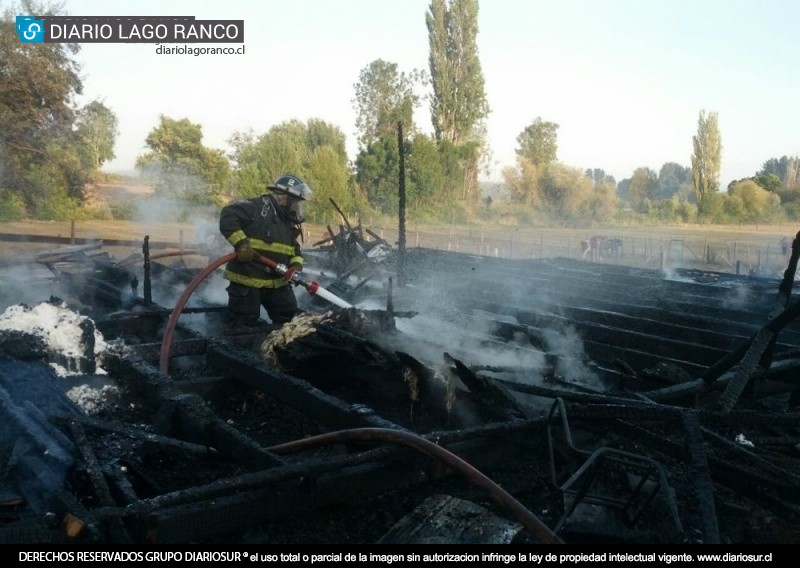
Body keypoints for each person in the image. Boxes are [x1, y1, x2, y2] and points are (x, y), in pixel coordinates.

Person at [219, 174, 313, 327]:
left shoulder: (286, 220)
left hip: (276, 281)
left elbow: (293, 248)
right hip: (247, 279)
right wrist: (242, 245)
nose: (297, 207)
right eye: (295, 202)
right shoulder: (256, 207)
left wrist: (296, 265)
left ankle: (282, 348)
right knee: (244, 324)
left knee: (288, 317)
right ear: (284, 197)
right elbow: (228, 215)